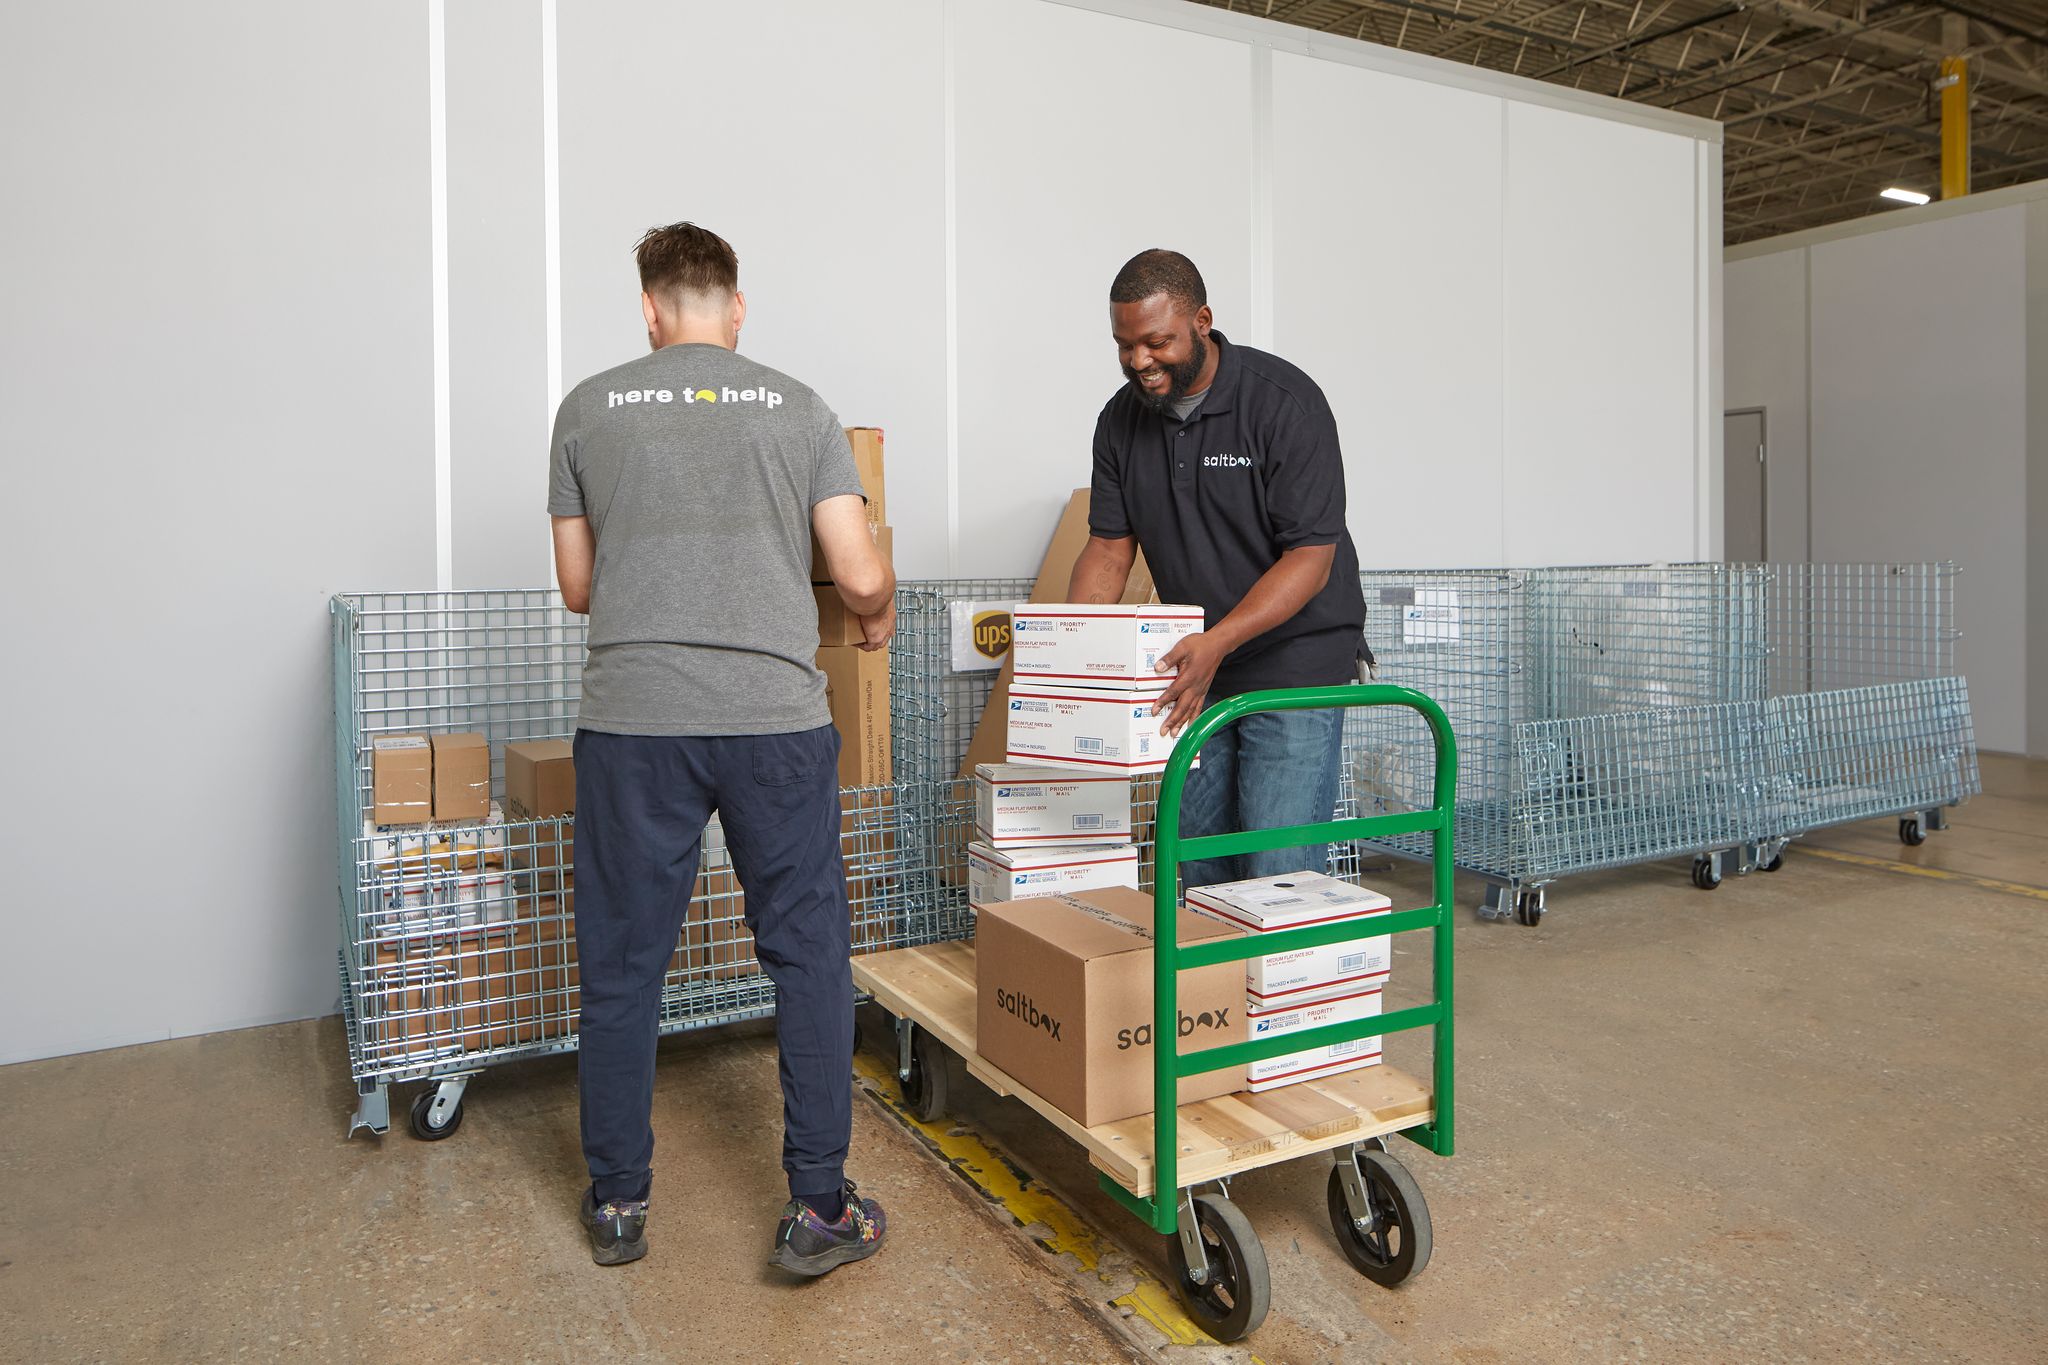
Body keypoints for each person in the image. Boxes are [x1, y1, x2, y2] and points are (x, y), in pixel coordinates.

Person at [548, 221, 893, 1275]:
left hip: (633, 723)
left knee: (621, 966)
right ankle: (819, 1206)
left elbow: (577, 589)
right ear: (735, 310)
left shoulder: (586, 408)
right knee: (805, 958)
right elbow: (857, 572)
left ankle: (616, 1205)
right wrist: (872, 615)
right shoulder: (798, 407)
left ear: (648, 310)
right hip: (774, 724)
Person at [1067, 249, 1368, 892]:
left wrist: (1218, 643)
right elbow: (1109, 547)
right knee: (1194, 861)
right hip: (1200, 662)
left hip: (1295, 660)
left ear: (1201, 321)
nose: (1139, 362)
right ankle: (1209, 996)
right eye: (1124, 346)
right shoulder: (1120, 421)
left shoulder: (1283, 403)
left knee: (1274, 865)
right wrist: (1074, 656)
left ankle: (1282, 988)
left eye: (1157, 342)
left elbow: (1311, 559)